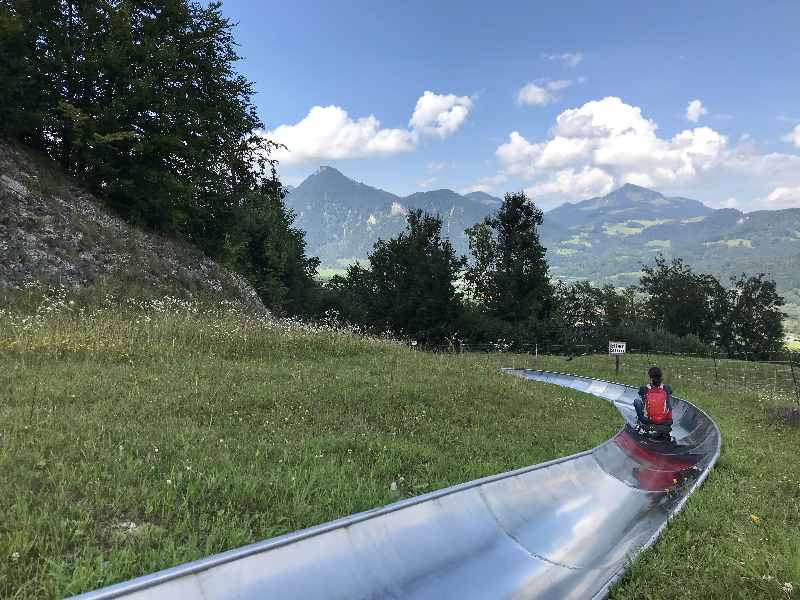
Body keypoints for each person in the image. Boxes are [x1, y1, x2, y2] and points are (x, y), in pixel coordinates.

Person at [634, 366, 673, 439]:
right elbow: (670, 392)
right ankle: (665, 421)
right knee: (668, 400)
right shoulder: (667, 388)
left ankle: (641, 422)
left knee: (637, 401)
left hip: (648, 420)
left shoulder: (644, 388)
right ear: (661, 377)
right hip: (666, 421)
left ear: (650, 377)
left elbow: (640, 394)